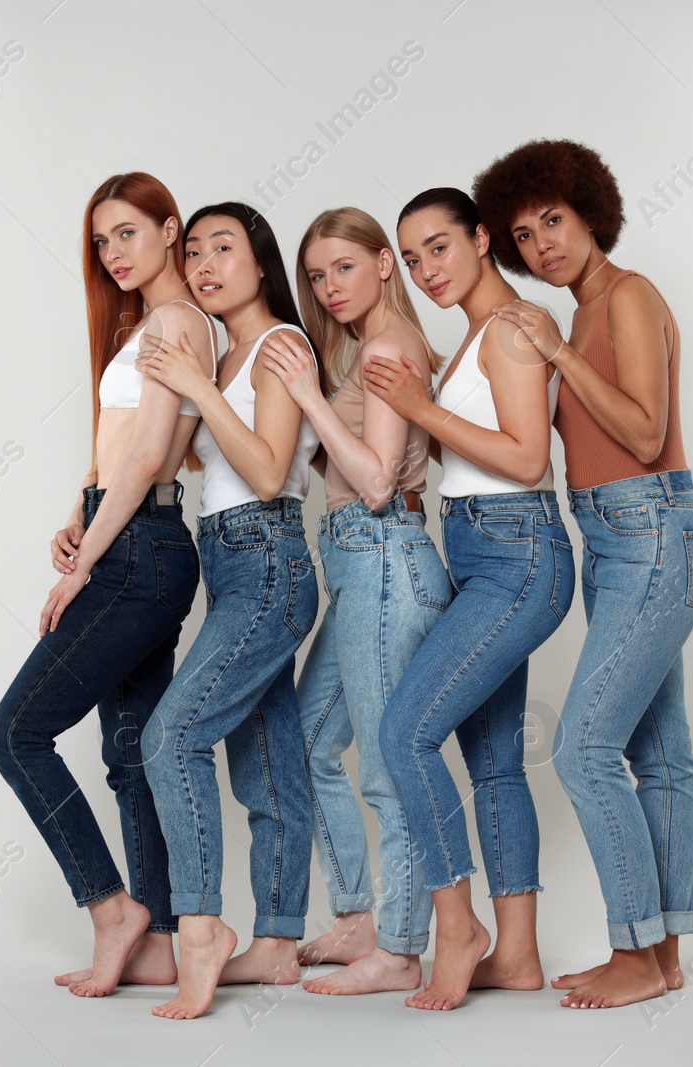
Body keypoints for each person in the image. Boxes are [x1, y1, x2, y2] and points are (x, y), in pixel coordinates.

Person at [475, 137, 693, 1009]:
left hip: (654, 529)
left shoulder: (627, 295)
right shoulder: (575, 314)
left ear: (589, 213)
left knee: (582, 747)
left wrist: (559, 353)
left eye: (553, 220)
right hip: (613, 541)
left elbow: (647, 434)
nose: (542, 244)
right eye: (525, 235)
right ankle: (663, 958)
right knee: (660, 753)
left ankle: (633, 949)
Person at [0, 172, 216, 997]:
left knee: (15, 733)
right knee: (130, 756)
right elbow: (116, 451)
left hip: (140, 553)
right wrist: (77, 515)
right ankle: (153, 935)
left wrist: (87, 563)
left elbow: (152, 454)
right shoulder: (145, 326)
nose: (113, 252)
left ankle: (112, 907)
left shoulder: (179, 322)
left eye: (127, 232)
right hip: (128, 535)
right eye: (101, 240)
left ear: (168, 228)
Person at [363, 187, 575, 1010]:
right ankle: (518, 954)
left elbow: (526, 461)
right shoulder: (474, 339)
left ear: (483, 238)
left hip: (519, 552)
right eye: (412, 259)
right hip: (484, 551)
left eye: (440, 247)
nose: (426, 270)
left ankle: (458, 926)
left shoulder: (515, 329)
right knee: (492, 761)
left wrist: (417, 408)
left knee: (406, 732)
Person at [135, 202, 322, 1020]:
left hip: (269, 559)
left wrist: (199, 388)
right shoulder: (229, 350)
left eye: (225, 248)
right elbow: (180, 454)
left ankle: (200, 926)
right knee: (268, 758)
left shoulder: (281, 345)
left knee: (170, 736)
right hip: (231, 561)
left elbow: (272, 470)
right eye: (198, 251)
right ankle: (279, 943)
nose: (207, 264)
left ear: (260, 261)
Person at [256, 207, 447, 995]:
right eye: (315, 273)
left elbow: (374, 481)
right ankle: (361, 917)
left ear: (382, 264)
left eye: (343, 266)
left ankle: (400, 948)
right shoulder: (367, 347)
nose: (328, 286)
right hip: (359, 565)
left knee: (385, 763)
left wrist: (306, 393)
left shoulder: (390, 346)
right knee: (306, 742)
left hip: (385, 556)